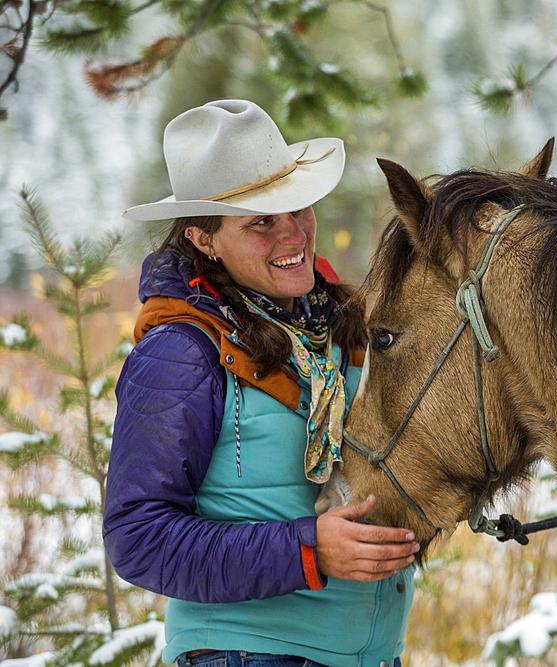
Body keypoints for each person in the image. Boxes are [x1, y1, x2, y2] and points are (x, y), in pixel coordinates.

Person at [104, 99, 419, 667]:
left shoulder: (341, 324)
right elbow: (137, 537)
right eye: (261, 222)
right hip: (245, 655)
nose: (294, 233)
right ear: (204, 238)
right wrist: (309, 551)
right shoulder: (181, 351)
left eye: (299, 208)